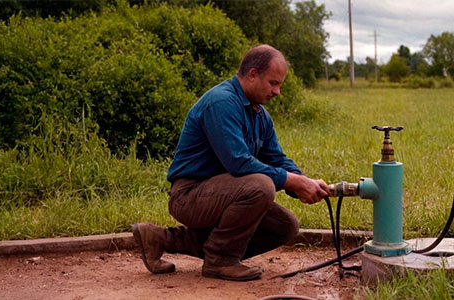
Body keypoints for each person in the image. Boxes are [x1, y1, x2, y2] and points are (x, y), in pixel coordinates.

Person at [132, 45, 329, 281]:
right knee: (261, 186)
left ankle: (159, 239)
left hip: (223, 194)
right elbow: (239, 163)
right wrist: (292, 181)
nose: (277, 92)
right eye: (273, 83)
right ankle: (220, 261)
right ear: (253, 74)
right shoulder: (222, 103)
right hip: (190, 195)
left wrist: (304, 183)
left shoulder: (259, 114)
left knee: (285, 225)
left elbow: (277, 158)